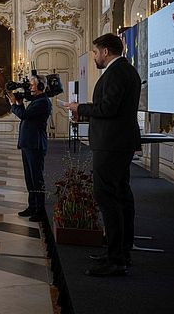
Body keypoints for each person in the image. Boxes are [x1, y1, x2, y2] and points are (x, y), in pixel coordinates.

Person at [65, 33, 141, 277]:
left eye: (96, 52)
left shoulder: (117, 73)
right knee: (120, 196)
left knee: (107, 195)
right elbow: (112, 108)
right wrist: (86, 112)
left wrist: (80, 108)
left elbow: (108, 108)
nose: (95, 56)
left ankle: (116, 258)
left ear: (106, 51)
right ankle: (119, 251)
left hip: (112, 143)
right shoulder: (126, 71)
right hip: (117, 141)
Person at [7, 75, 52, 223]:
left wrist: (14, 104)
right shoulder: (36, 101)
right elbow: (26, 116)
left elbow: (25, 115)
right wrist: (19, 103)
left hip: (36, 145)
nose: (30, 88)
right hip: (28, 144)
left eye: (33, 85)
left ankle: (40, 210)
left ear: (41, 87)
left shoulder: (43, 102)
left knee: (36, 179)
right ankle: (32, 206)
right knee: (29, 178)